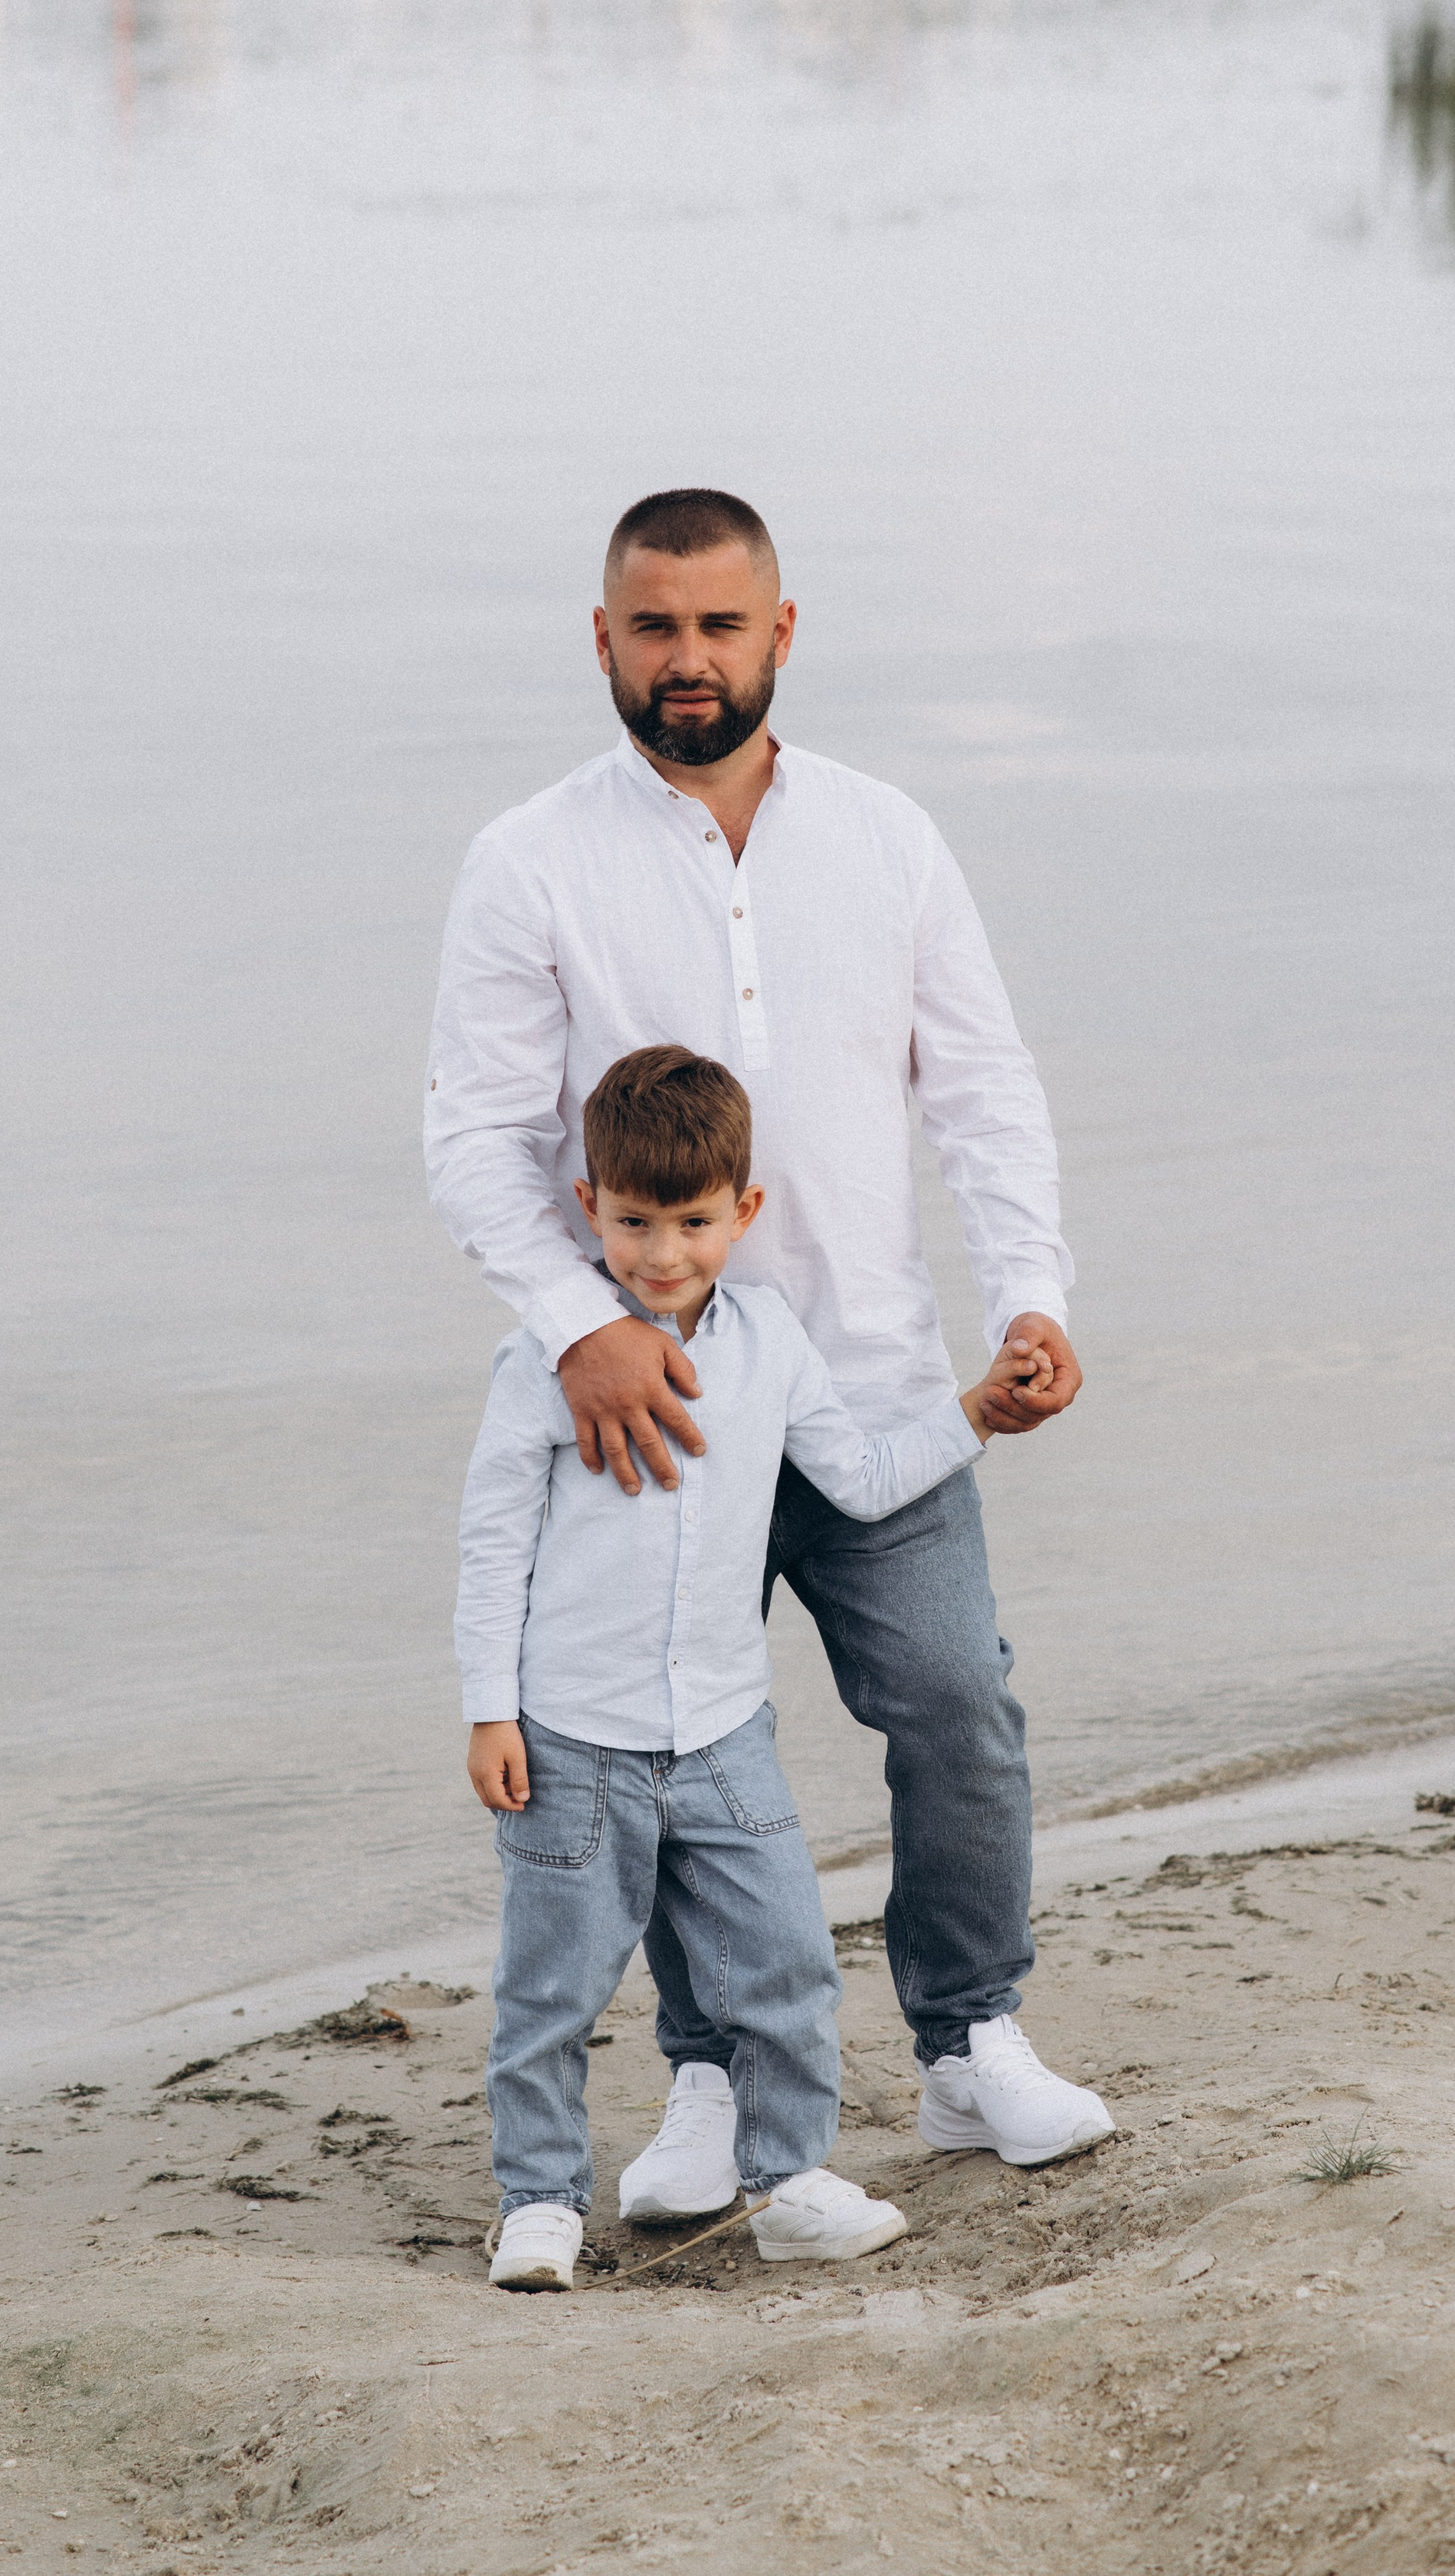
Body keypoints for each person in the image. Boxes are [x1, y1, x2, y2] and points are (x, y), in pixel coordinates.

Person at [426, 485, 1114, 2226]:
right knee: (656, 1757)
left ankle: (967, 2044)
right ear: (602, 637)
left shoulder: (885, 837)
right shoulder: (530, 861)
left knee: (958, 1704)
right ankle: (715, 2081)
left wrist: (1027, 1295)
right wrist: (584, 1328)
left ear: (779, 634)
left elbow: (978, 1085)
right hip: (650, 1410)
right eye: (652, 626)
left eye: (718, 626)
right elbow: (476, 1142)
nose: (685, 659)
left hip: (872, 1377)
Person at [460, 1045, 1055, 2291]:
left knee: (786, 1966)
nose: (662, 1252)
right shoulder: (547, 1362)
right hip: (575, 1737)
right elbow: (493, 1546)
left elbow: (857, 1479)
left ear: (746, 1213)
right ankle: (539, 2203)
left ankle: (789, 2181)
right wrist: (490, 1713)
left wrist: (972, 1414)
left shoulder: (773, 1341)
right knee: (552, 1989)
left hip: (725, 1735)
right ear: (590, 1211)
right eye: (633, 1222)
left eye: (691, 1221)